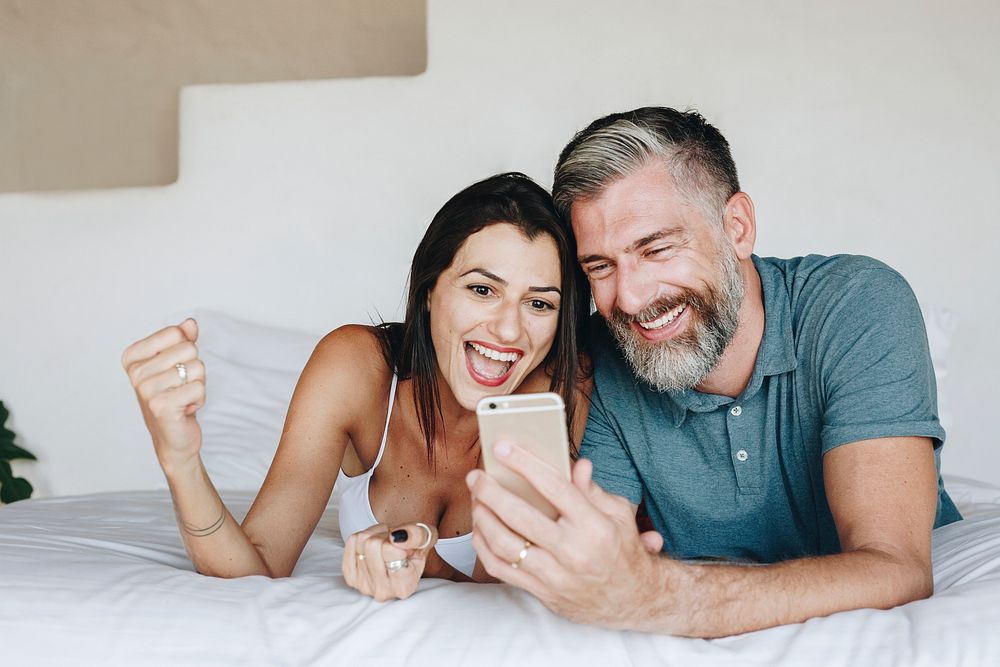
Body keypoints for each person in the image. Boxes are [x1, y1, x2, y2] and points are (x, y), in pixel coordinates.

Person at [466, 107, 962, 637]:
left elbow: (895, 568)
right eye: (600, 267)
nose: (630, 298)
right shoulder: (604, 354)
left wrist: (659, 597)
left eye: (655, 248)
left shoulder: (857, 303)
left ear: (738, 228)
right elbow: (590, 555)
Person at [122, 172, 589, 601]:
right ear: (430, 290)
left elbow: (516, 589)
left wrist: (425, 560)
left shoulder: (556, 391)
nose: (508, 331)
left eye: (539, 304)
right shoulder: (357, 367)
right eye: (482, 290)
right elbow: (256, 567)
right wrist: (179, 460)